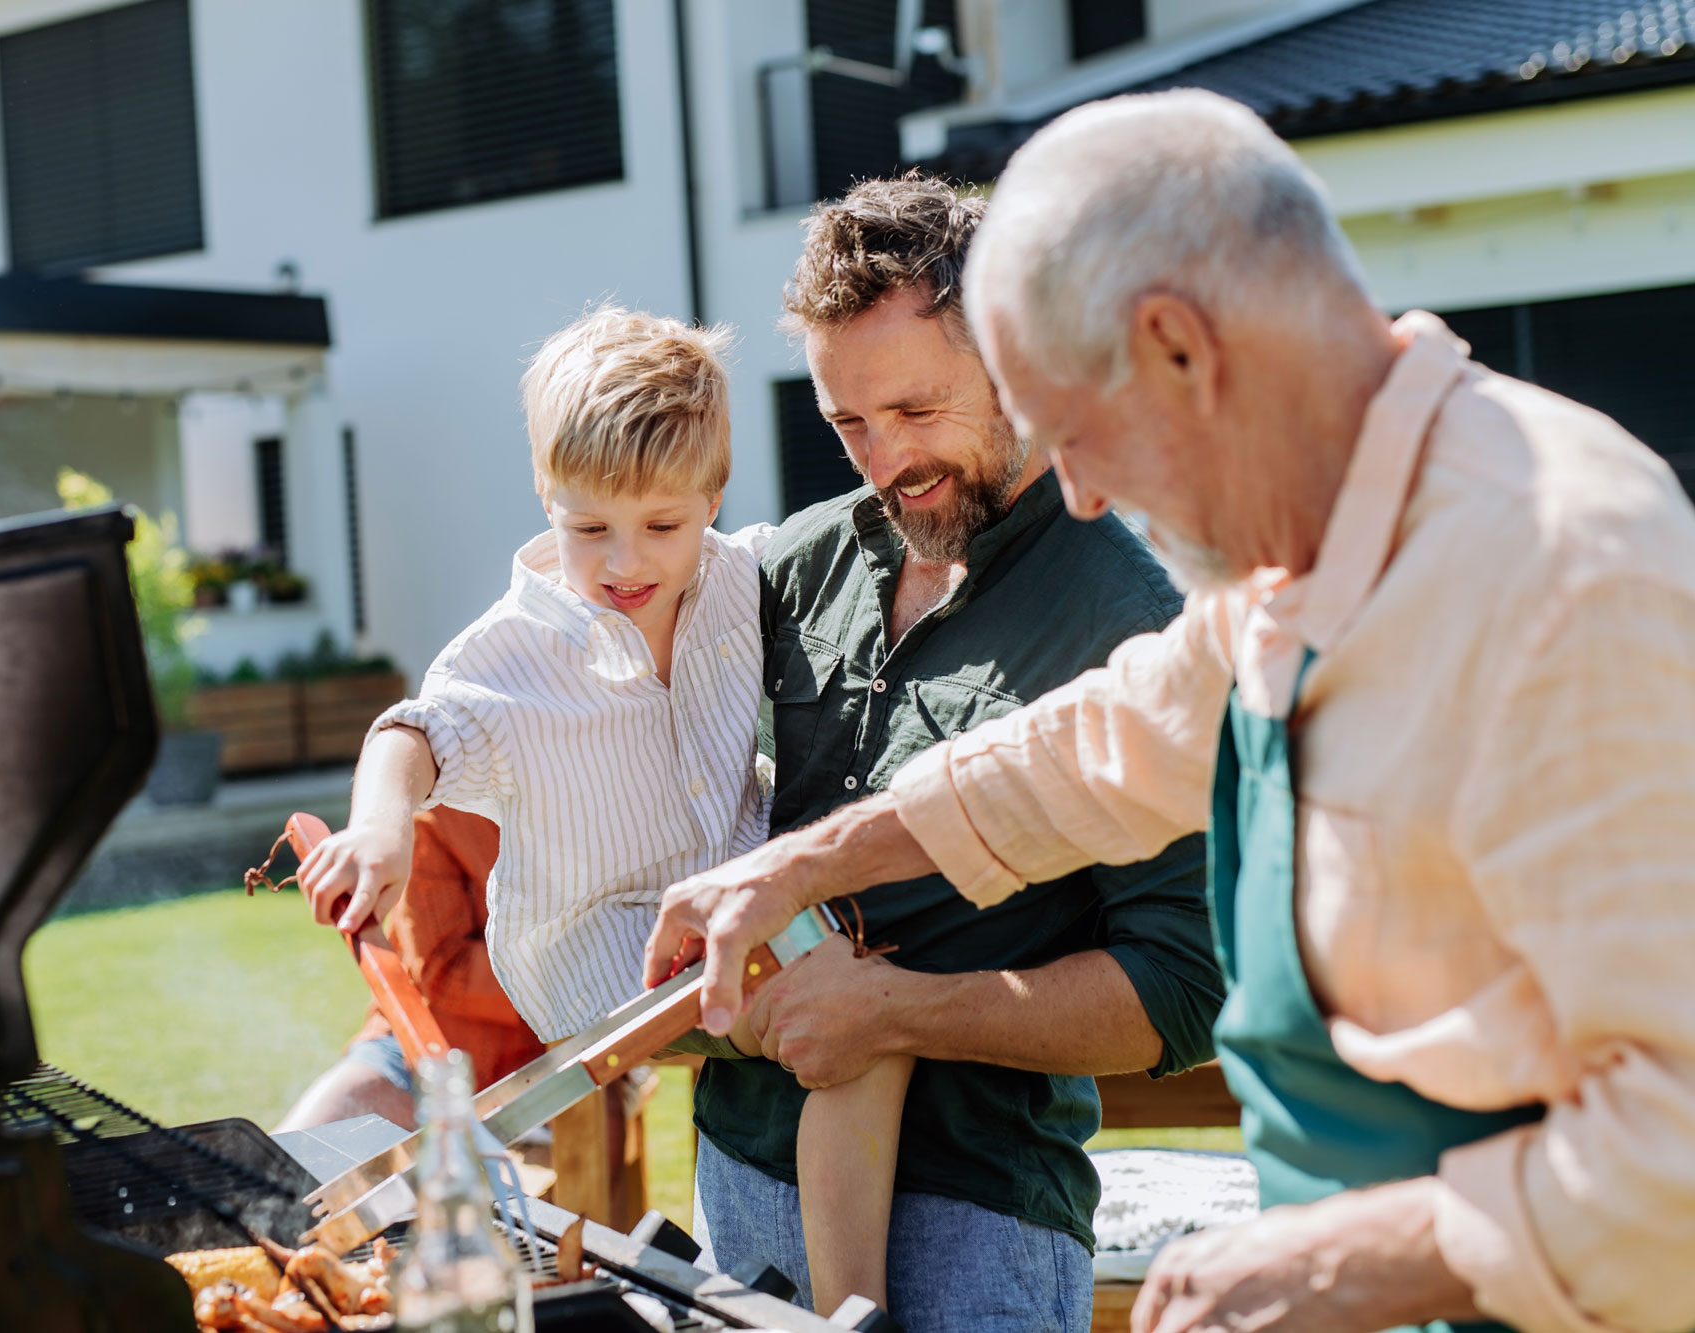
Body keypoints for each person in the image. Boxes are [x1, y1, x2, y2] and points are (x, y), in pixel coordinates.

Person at [647, 91, 1695, 1333]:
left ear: (1179, 345)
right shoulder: (1303, 556)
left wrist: (1346, 1259)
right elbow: (1097, 748)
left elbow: (1672, 1152)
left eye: (1078, 429)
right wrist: (795, 865)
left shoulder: (1562, 573)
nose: (1079, 493)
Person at [660, 175, 1224, 1333]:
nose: (883, 461)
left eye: (915, 411)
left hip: (979, 1222)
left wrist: (902, 1013)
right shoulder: (794, 563)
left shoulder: (1134, 624)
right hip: (741, 1165)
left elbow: (1179, 989)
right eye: (847, 423)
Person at [291, 305, 913, 1316]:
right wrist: (378, 827)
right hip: (603, 962)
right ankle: (848, 1310)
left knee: (865, 1002)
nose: (625, 563)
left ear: (711, 497)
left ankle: (835, 1300)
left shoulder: (735, 575)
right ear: (547, 501)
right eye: (587, 528)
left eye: (661, 525)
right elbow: (407, 733)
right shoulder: (512, 652)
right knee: (851, 1026)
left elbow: (850, 540)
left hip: (725, 911)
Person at [276, 806, 540, 1132]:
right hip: (416, 1053)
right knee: (283, 1164)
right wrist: (561, 973)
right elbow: (445, 971)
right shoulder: (442, 808)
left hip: (553, 1065)